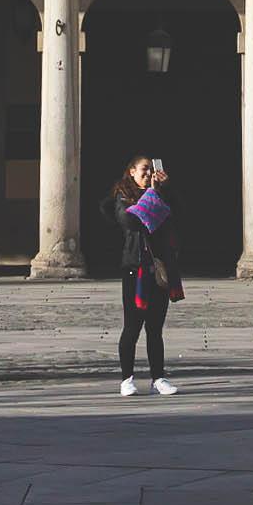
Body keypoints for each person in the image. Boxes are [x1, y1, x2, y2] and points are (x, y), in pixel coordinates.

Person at [101, 153, 183, 397]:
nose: (148, 174)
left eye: (151, 169)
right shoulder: (123, 196)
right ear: (132, 172)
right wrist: (152, 196)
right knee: (132, 326)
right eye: (144, 169)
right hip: (135, 266)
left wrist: (163, 190)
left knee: (155, 328)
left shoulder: (161, 193)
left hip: (159, 265)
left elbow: (177, 214)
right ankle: (127, 379)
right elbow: (130, 220)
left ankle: (159, 378)